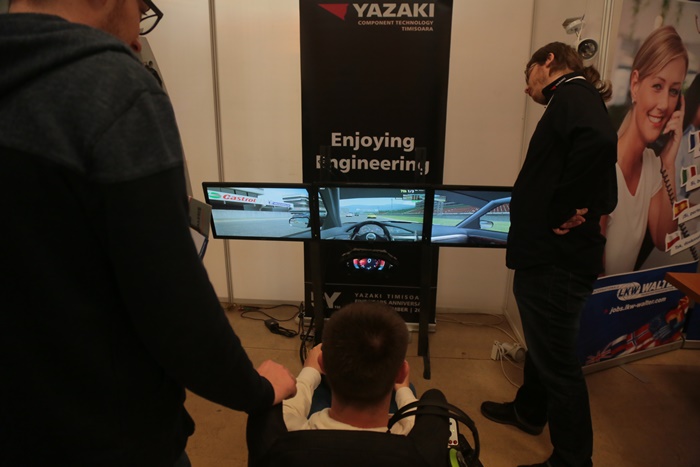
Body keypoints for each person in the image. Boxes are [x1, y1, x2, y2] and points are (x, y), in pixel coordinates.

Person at [0, 1, 296, 466]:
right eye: (141, 9)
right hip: (111, 438)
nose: (138, 38)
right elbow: (172, 303)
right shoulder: (112, 87)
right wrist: (256, 390)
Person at [481, 42, 617, 467]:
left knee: (557, 361)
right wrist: (578, 202)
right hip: (551, 257)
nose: (527, 88)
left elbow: (599, 141)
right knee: (543, 344)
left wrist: (563, 207)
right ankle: (529, 412)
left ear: (549, 62)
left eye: (528, 76)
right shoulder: (574, 99)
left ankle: (573, 459)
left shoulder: (573, 94)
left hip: (558, 260)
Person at [601, 25, 688, 276]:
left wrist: (668, 161)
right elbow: (593, 274)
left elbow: (665, 239)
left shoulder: (651, 164)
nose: (665, 104)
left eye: (674, 91)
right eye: (657, 86)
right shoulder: (604, 166)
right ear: (635, 84)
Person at [283, 302, 417, 433]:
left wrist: (310, 371)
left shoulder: (286, 431)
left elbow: (287, 410)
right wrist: (403, 390)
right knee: (409, 388)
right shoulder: (416, 434)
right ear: (402, 373)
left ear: (322, 363)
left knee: (319, 388)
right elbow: (415, 418)